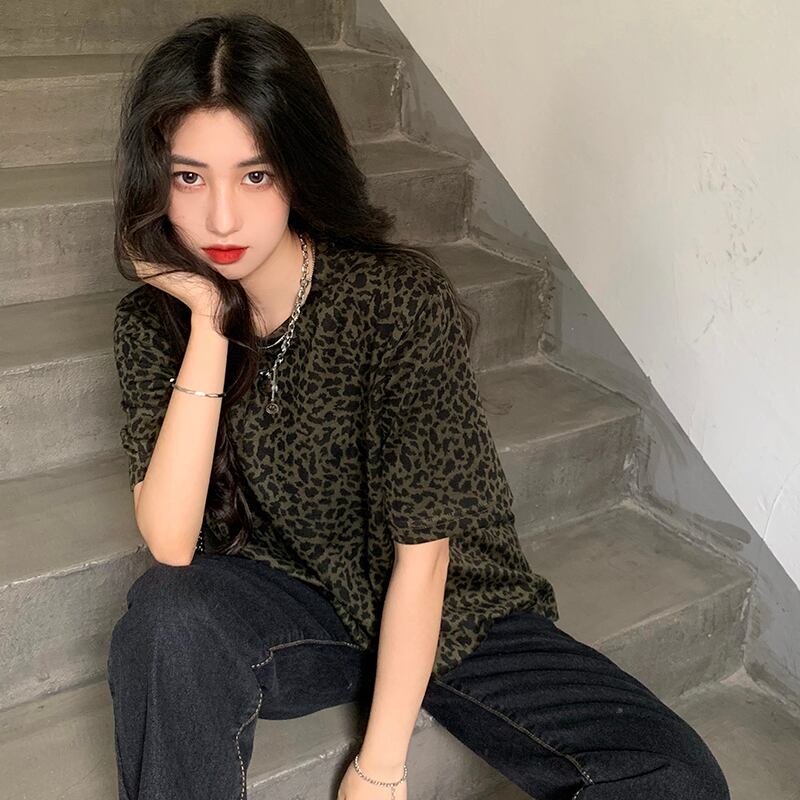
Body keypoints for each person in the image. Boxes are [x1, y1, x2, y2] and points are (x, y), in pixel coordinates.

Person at [106, 13, 730, 800]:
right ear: (155, 179)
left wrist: (379, 767)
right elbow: (171, 540)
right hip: (304, 606)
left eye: (255, 175)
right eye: (190, 178)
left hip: (456, 613)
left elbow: (425, 556)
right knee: (165, 615)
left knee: (674, 776)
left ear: (299, 169)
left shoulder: (394, 300)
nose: (221, 218)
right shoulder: (152, 324)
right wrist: (207, 322)